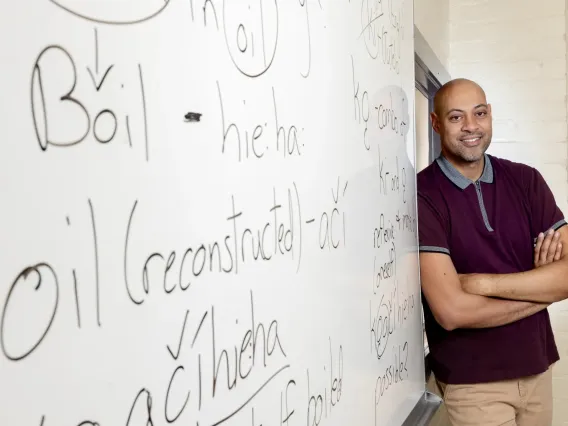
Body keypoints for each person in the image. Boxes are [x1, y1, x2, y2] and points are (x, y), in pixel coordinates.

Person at [417, 78, 568, 426]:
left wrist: (482, 284)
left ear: (490, 115)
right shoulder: (422, 195)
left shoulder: (526, 181)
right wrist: (543, 288)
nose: (471, 126)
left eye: (479, 113)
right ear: (437, 123)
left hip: (537, 367)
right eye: (456, 117)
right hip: (473, 384)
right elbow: (452, 311)